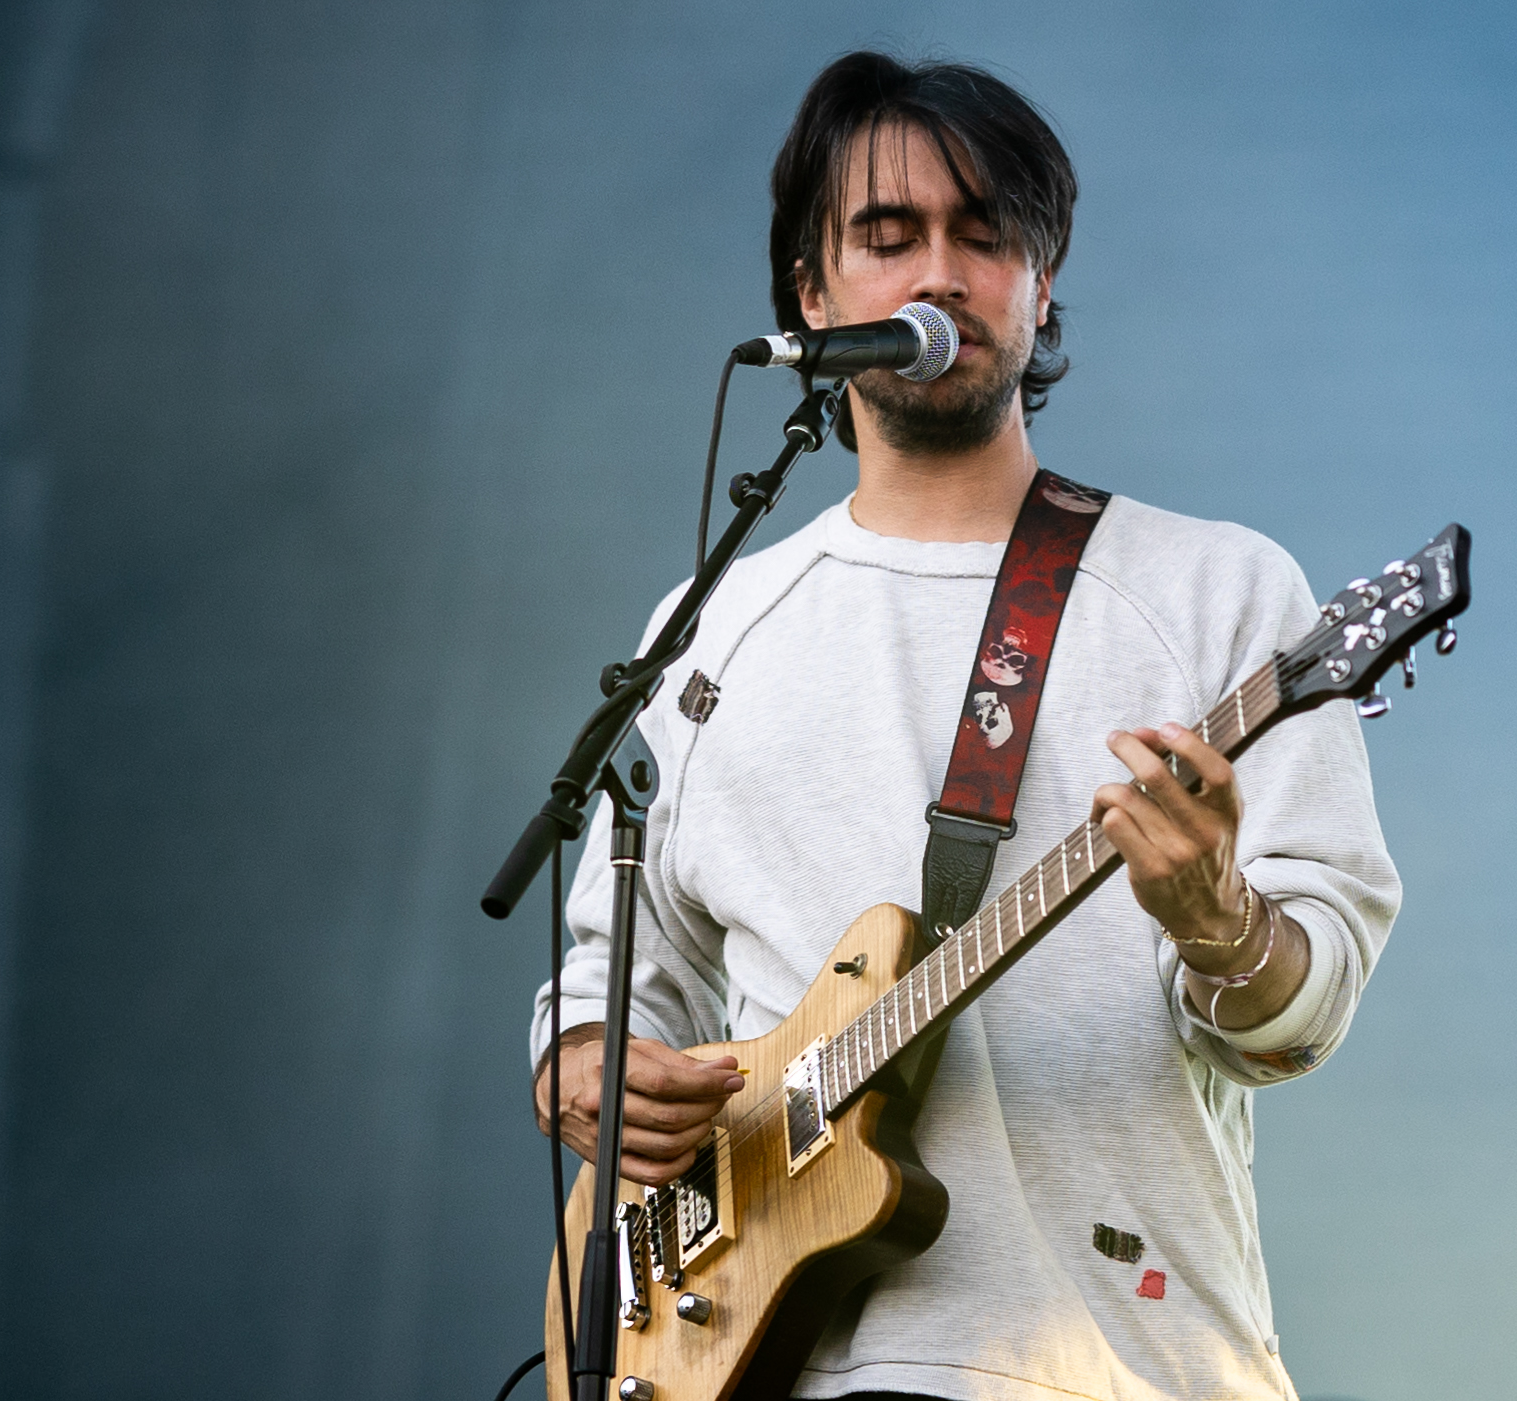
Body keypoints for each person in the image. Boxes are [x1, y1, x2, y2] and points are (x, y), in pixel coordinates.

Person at [533, 51, 1399, 1401]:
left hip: (1116, 1359)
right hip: (767, 1356)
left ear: (1040, 284)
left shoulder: (1214, 590)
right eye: (888, 237)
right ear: (812, 294)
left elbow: (1300, 1020)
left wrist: (1218, 916)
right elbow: (627, 964)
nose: (939, 274)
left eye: (983, 236)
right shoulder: (714, 622)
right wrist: (584, 1063)